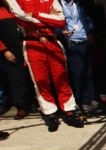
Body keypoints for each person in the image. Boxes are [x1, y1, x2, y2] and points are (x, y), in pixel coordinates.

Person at [5, 0, 84, 131]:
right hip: (32, 44)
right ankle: (50, 114)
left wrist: (35, 14)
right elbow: (19, 17)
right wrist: (47, 18)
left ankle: (69, 112)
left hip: (53, 42)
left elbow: (60, 20)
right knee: (41, 82)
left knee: (62, 79)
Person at [58, 0, 97, 113]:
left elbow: (87, 19)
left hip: (83, 40)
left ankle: (90, 97)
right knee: (77, 73)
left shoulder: (79, 4)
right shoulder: (58, 5)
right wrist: (61, 32)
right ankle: (81, 100)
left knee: (88, 72)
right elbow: (55, 24)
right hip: (71, 42)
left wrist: (90, 32)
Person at [0, 4, 33, 119]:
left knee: (31, 76)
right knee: (16, 79)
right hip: (11, 50)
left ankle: (33, 104)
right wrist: (4, 50)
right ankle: (21, 107)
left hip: (27, 46)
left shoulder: (16, 7)